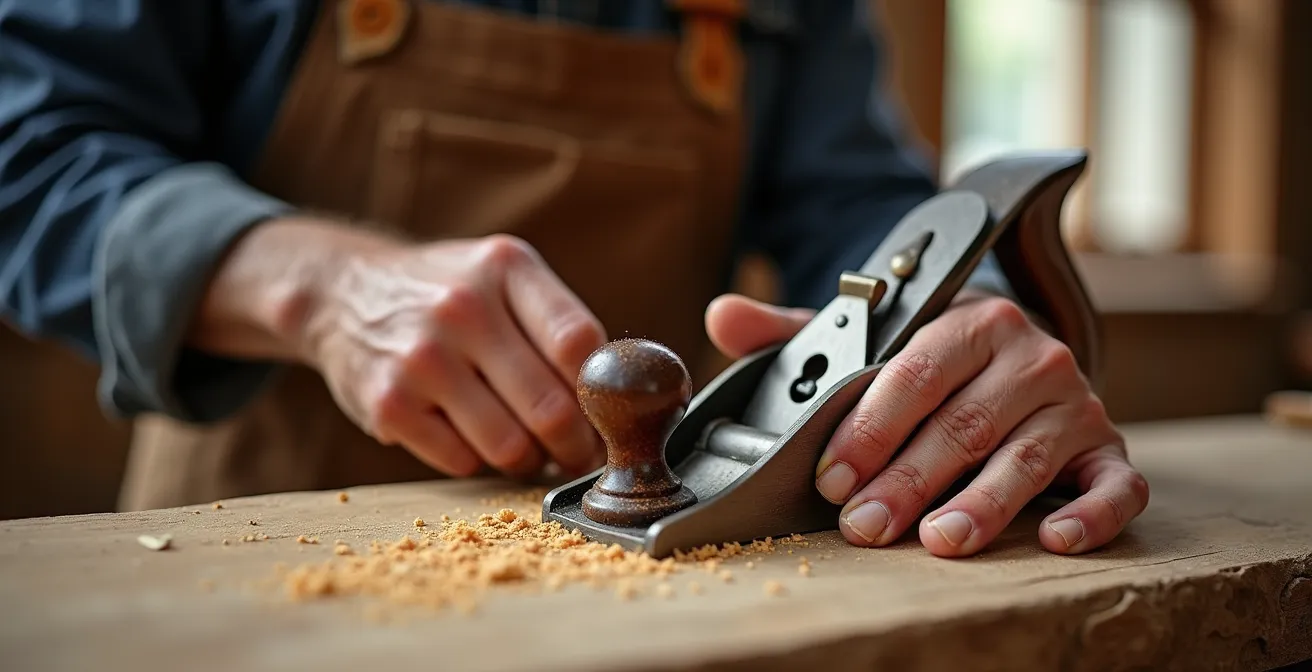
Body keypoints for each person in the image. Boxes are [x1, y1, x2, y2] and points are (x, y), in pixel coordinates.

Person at [0, 0, 1147, 558]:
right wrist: (310, 281)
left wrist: (974, 321)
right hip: (246, 556)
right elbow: (27, 143)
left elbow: (861, 207)